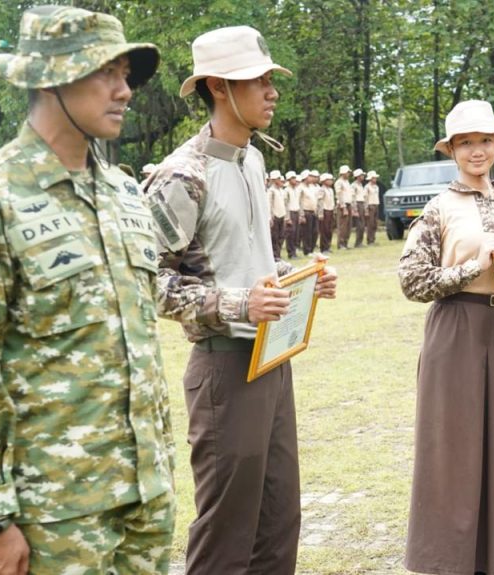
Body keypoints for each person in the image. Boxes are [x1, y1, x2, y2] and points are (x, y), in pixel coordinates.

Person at [0, 6, 175, 573]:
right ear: (50, 79)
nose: (124, 91)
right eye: (105, 73)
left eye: (127, 75)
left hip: (147, 491)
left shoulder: (123, 193)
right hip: (55, 509)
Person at [145, 25, 338, 575]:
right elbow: (146, 281)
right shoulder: (183, 175)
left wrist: (298, 278)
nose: (272, 91)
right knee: (226, 534)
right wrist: (238, 306)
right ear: (217, 88)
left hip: (272, 360)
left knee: (279, 523)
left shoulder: (252, 160)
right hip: (224, 371)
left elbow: (249, 259)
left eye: (269, 80)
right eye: (257, 81)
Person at [399, 99, 494, 575]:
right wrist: (471, 267)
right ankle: (446, 563)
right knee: (451, 451)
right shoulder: (438, 208)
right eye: (466, 142)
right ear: (453, 150)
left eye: (485, 140)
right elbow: (412, 281)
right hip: (456, 332)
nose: (477, 150)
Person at [267, 169, 288, 261]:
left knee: (281, 235)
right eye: (278, 179)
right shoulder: (271, 191)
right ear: (274, 180)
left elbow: (285, 204)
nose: (280, 180)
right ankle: (275, 255)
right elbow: (269, 205)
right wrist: (270, 217)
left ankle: (278, 253)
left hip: (282, 215)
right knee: (274, 237)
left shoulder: (281, 191)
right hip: (275, 216)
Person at [299, 170, 319, 255]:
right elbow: (299, 201)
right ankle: (307, 250)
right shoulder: (300, 187)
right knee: (307, 232)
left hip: (313, 211)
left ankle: (312, 249)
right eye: (309, 176)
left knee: (315, 231)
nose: (311, 178)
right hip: (306, 211)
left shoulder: (312, 187)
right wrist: (301, 214)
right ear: (305, 178)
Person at [335, 165, 353, 249]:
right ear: (343, 173)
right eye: (347, 172)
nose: (349, 174)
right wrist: (343, 207)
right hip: (342, 205)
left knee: (348, 225)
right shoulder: (339, 182)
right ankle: (341, 243)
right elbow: (339, 195)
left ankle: (345, 242)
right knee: (342, 226)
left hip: (348, 204)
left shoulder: (347, 182)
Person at [317, 172, 336, 253]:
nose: (331, 181)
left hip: (330, 210)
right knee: (324, 230)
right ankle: (323, 248)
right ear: (324, 181)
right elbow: (320, 202)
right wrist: (320, 213)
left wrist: (334, 210)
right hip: (325, 210)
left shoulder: (331, 190)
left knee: (329, 230)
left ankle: (328, 246)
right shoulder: (322, 190)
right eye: (329, 180)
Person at [285, 170, 301, 259]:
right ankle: (290, 253)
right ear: (289, 179)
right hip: (290, 212)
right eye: (293, 178)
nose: (295, 180)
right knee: (290, 233)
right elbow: (286, 204)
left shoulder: (297, 189)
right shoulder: (286, 190)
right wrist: (287, 217)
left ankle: (294, 251)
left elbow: (299, 202)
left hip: (296, 211)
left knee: (296, 233)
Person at [351, 168, 367, 247]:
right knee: (359, 225)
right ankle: (357, 242)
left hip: (362, 203)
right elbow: (353, 197)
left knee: (362, 224)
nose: (363, 176)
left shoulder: (361, 185)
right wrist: (355, 209)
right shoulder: (353, 185)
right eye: (361, 175)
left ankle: (360, 241)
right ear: (357, 176)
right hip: (357, 204)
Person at [365, 170, 380, 245]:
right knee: (370, 223)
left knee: (375, 223)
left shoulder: (376, 187)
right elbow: (366, 198)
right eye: (374, 178)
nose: (375, 179)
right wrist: (366, 208)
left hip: (376, 204)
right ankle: (369, 240)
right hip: (370, 205)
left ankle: (373, 239)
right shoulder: (367, 187)